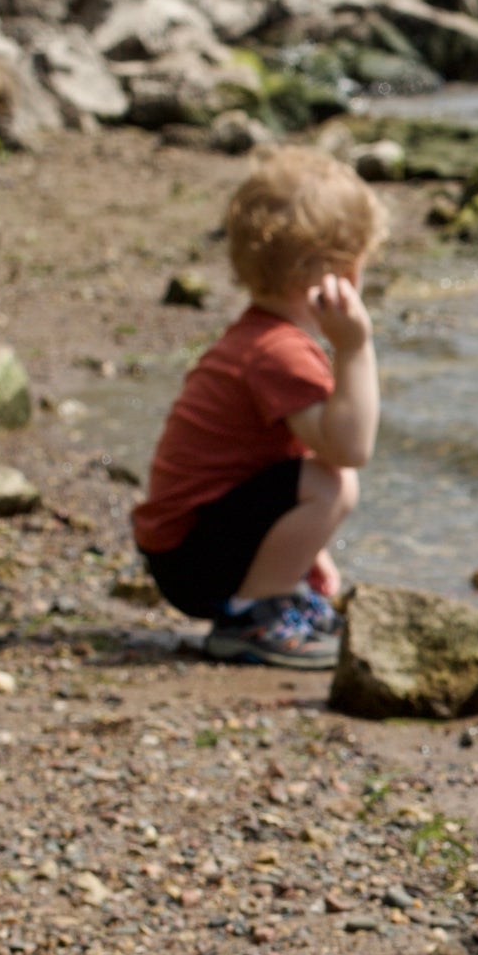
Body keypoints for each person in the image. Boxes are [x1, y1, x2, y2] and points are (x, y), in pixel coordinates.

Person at [131, 149, 387, 670]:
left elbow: (263, 468)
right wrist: (356, 347)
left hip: (185, 548)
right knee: (332, 482)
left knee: (317, 478)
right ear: (344, 271)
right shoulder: (279, 352)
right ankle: (252, 618)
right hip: (192, 561)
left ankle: (271, 596)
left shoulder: (260, 337)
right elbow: (350, 447)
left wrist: (305, 558)